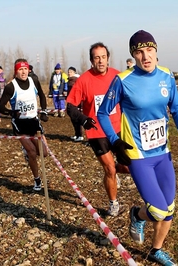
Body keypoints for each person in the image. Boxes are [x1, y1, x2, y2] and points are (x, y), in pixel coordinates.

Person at [97, 30, 178, 265]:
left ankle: (156, 250)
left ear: (156, 52)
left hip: (162, 152)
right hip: (138, 154)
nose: (146, 56)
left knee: (169, 209)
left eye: (150, 50)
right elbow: (102, 112)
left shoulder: (166, 75)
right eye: (140, 52)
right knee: (158, 211)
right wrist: (114, 140)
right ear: (133, 54)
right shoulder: (123, 80)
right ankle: (137, 214)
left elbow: (176, 106)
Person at [66, 42, 128, 217]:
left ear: (108, 58)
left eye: (103, 57)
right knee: (109, 169)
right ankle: (113, 204)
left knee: (129, 167)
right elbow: (70, 107)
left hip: (118, 129)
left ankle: (116, 170)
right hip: (96, 132)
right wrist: (83, 119)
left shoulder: (118, 76)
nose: (100, 61)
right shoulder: (84, 80)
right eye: (96, 58)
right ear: (91, 60)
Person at [0, 58, 49, 191]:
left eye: (25, 69)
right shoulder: (11, 87)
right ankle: (37, 180)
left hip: (33, 121)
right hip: (20, 124)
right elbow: (0, 106)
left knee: (43, 153)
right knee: (32, 152)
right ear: (16, 72)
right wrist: (11, 112)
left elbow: (42, 96)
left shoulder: (34, 81)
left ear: (28, 70)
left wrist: (43, 111)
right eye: (20, 69)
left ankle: (27, 152)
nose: (24, 72)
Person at [67, 66, 83, 142]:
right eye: (68, 72)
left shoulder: (75, 81)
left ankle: (80, 135)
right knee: (73, 119)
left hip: (75, 103)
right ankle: (77, 134)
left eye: (70, 72)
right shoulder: (70, 81)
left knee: (76, 119)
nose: (69, 73)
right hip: (71, 102)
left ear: (74, 73)